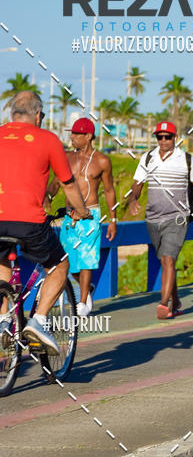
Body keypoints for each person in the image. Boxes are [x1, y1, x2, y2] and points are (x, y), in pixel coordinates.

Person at [0, 91, 91, 355]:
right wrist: (82, 211)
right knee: (60, 264)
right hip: (28, 223)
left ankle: (4, 319)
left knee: (3, 259)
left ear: (11, 113)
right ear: (38, 115)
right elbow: (68, 183)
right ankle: (38, 321)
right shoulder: (48, 140)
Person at [128, 121, 193, 319]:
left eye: (168, 137)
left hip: (178, 218)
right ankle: (176, 301)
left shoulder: (186, 159)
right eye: (160, 137)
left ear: (175, 138)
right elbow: (137, 184)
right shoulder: (147, 157)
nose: (163, 141)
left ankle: (164, 305)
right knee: (166, 262)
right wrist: (133, 199)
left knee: (168, 259)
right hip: (153, 218)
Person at [55, 117, 117, 316]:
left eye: (76, 134)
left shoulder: (102, 161)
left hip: (91, 215)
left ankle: (82, 302)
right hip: (69, 217)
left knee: (86, 258)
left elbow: (109, 190)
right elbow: (57, 182)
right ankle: (87, 288)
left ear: (88, 136)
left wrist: (113, 220)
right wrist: (47, 197)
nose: (71, 137)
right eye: (71, 133)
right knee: (69, 261)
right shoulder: (66, 157)